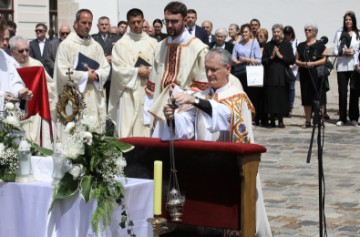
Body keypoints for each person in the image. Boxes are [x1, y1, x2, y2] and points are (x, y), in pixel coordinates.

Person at [156, 48, 272, 237]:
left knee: (230, 214)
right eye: (207, 69)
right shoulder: (202, 96)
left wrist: (194, 100)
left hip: (230, 165)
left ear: (227, 69)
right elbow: (188, 126)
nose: (209, 74)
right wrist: (173, 118)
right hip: (204, 164)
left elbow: (225, 115)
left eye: (214, 69)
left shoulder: (237, 96)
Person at [147, 1, 209, 123]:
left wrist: (181, 93)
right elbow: (153, 83)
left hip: (186, 112)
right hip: (160, 110)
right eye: (167, 21)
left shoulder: (198, 49)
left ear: (185, 20)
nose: (169, 25)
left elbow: (204, 88)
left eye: (174, 21)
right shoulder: (160, 47)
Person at [54, 9, 110, 136]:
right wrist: (85, 76)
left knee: (93, 135)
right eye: (84, 22)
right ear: (76, 23)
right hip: (73, 99)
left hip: (93, 99)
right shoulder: (66, 45)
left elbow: (105, 68)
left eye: (89, 23)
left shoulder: (96, 46)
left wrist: (96, 75)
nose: (87, 26)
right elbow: (62, 71)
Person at [108, 8, 157, 138]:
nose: (136, 25)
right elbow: (117, 69)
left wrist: (150, 71)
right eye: (133, 22)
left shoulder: (153, 43)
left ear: (143, 21)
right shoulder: (120, 44)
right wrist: (136, 71)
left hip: (148, 92)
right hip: (128, 92)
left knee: (146, 127)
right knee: (127, 128)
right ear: (128, 23)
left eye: (139, 22)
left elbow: (160, 66)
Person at [10, 35, 56, 148]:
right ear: (12, 52)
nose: (25, 53)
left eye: (27, 50)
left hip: (35, 112)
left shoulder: (37, 65)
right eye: (21, 51)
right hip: (14, 110)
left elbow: (51, 86)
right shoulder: (8, 66)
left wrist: (41, 88)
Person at [262, 24, 295, 128]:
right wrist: (271, 57)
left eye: (278, 32)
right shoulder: (268, 45)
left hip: (282, 75)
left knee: (282, 98)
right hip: (271, 75)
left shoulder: (287, 44)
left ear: (282, 33)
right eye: (274, 32)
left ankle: (280, 120)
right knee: (271, 98)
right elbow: (263, 61)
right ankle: (272, 120)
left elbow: (292, 60)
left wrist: (281, 56)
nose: (276, 34)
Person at [295, 24, 328, 128]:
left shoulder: (320, 45)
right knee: (306, 97)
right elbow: (295, 59)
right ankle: (308, 121)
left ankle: (321, 120)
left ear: (314, 32)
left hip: (317, 73)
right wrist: (303, 64)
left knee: (319, 96)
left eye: (309, 30)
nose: (307, 31)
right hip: (305, 73)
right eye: (306, 30)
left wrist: (314, 63)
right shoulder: (301, 45)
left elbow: (325, 58)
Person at [232, 23, 262, 125]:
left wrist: (246, 59)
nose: (244, 34)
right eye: (243, 32)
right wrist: (236, 61)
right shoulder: (237, 44)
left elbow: (258, 60)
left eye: (246, 32)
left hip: (251, 73)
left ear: (250, 33)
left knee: (252, 95)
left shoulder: (254, 43)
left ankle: (253, 117)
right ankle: (242, 116)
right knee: (241, 95)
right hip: (240, 73)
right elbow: (233, 57)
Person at [334, 11, 360, 126]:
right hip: (342, 66)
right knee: (342, 92)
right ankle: (342, 118)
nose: (348, 21)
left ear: (353, 21)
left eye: (350, 19)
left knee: (355, 92)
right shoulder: (339, 32)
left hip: (354, 66)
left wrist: (353, 51)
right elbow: (335, 49)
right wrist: (343, 51)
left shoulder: (358, 33)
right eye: (346, 20)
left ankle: (354, 117)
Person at [0, 18, 32, 102]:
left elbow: (14, 81)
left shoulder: (7, 59)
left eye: (7, 39)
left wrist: (20, 91)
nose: (5, 43)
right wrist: (3, 95)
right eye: (1, 38)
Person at [91, 16, 120, 107]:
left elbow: (122, 55)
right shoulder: (92, 39)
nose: (104, 26)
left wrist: (113, 57)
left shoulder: (117, 39)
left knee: (111, 100)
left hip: (112, 73)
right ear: (98, 26)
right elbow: (89, 54)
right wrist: (104, 58)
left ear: (109, 26)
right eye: (102, 24)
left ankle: (111, 120)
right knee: (97, 99)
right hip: (98, 72)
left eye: (106, 24)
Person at [283, 25, 299, 117]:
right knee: (285, 88)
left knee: (291, 88)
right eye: (286, 34)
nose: (287, 36)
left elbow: (298, 54)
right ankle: (285, 107)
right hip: (285, 67)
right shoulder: (283, 42)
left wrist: (294, 64)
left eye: (289, 33)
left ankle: (290, 107)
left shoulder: (296, 42)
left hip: (294, 68)